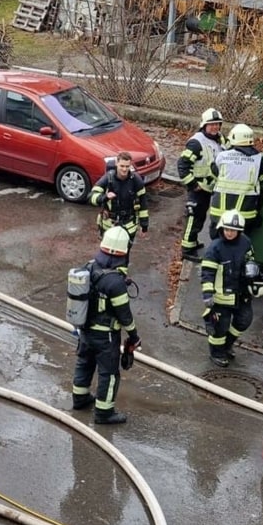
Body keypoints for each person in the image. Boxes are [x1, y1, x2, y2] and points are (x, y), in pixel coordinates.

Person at [71, 226, 140, 425]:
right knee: (108, 374)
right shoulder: (115, 282)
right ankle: (104, 412)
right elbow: (124, 315)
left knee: (84, 363)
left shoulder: (89, 267)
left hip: (84, 331)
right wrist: (134, 336)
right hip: (106, 337)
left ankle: (80, 399)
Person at [200, 210, 258, 367]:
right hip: (221, 298)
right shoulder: (215, 248)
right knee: (220, 327)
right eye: (226, 229)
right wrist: (207, 295)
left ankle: (227, 345)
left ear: (239, 231)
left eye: (232, 230)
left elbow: (250, 259)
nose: (229, 233)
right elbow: (207, 273)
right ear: (221, 229)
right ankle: (217, 353)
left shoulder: (245, 242)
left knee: (244, 320)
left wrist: (253, 271)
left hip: (241, 294)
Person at [179, 108, 227, 262]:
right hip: (198, 188)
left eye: (217, 124)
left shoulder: (220, 139)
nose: (215, 127)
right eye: (211, 125)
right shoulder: (196, 143)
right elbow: (182, 165)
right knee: (193, 216)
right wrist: (193, 185)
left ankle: (192, 242)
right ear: (204, 125)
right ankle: (187, 249)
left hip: (209, 187)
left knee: (200, 217)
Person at [208, 123, 263, 238]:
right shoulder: (258, 158)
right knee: (240, 244)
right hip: (245, 214)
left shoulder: (222, 156)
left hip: (220, 213)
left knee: (217, 243)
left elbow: (213, 173)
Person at [87, 151, 148, 248]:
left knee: (124, 253)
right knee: (107, 253)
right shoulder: (108, 178)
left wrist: (144, 225)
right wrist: (104, 197)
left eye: (127, 167)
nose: (124, 169)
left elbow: (143, 204)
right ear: (116, 164)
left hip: (129, 225)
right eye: (122, 166)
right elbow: (91, 196)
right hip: (109, 223)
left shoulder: (136, 180)